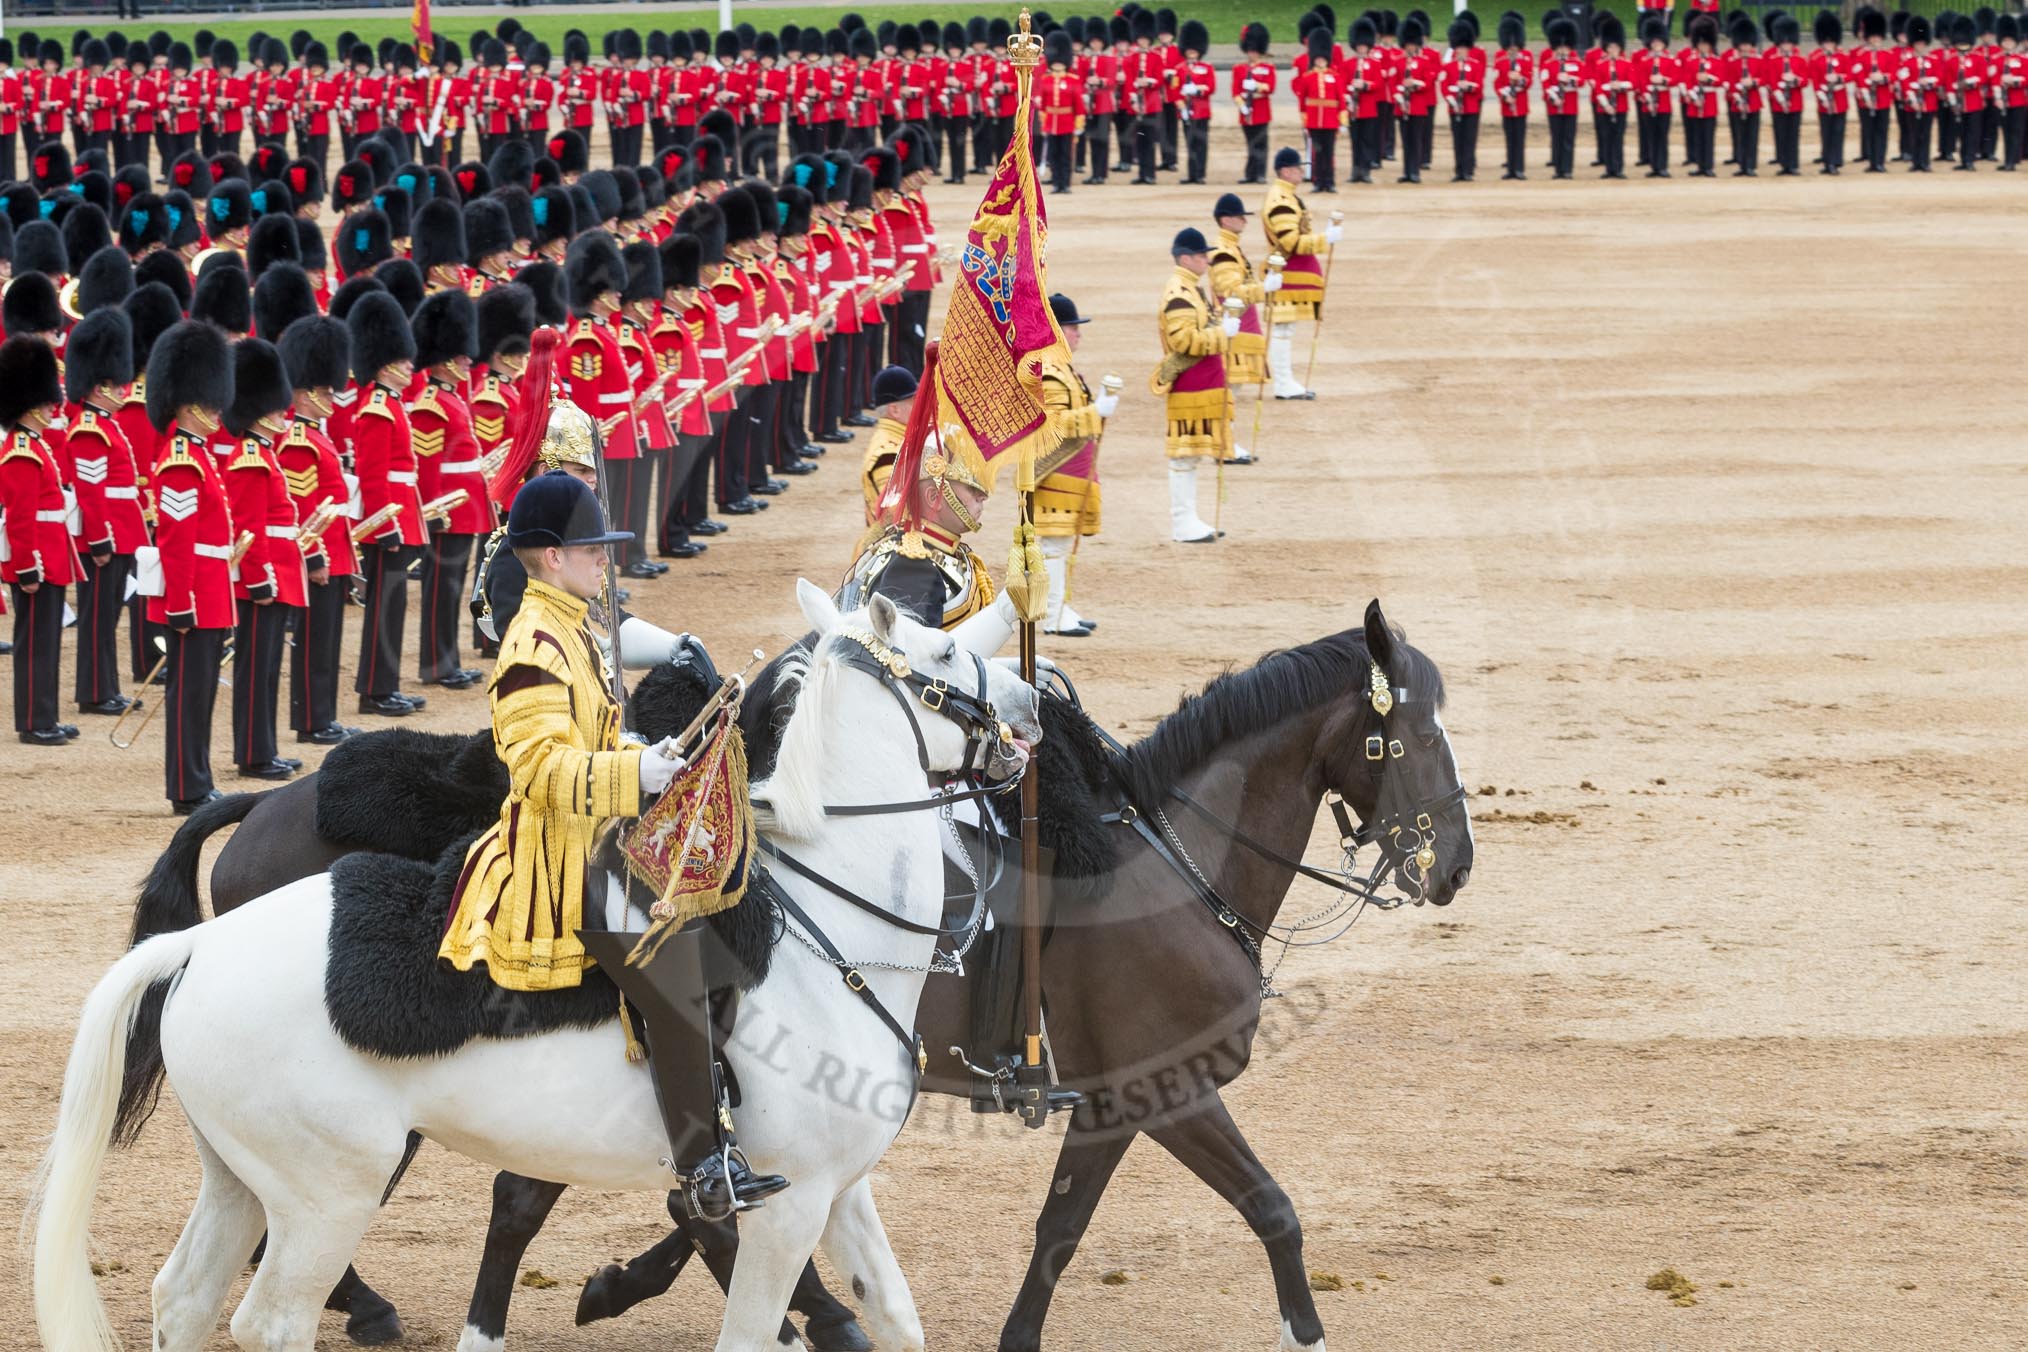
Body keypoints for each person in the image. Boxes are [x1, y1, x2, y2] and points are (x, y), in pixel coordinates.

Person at [439, 468, 787, 1221]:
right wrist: (635, 772)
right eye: (592, 548)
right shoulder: (535, 643)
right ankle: (702, 1168)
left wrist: (639, 747)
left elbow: (584, 738)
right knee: (671, 963)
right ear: (549, 556)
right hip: (558, 859)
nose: (605, 559)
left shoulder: (574, 626)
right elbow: (539, 769)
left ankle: (712, 1102)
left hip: (598, 834)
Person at [144, 320, 237, 813]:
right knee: (188, 694)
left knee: (201, 693)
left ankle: (197, 777)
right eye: (209, 399)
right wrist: (181, 602)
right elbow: (177, 542)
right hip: (194, 593)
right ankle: (186, 785)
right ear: (187, 402)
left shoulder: (199, 455)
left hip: (210, 588)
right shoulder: (181, 460)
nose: (218, 409)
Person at [219, 338, 307, 782]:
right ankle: (253, 753)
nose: (282, 414)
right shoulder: (249, 460)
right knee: (256, 669)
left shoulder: (263, 454)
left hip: (278, 573)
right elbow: (248, 530)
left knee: (268, 668)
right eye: (274, 407)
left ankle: (264, 747)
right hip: (263, 576)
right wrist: (260, 577)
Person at [346, 290, 430, 716]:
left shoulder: (391, 404)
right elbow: (373, 476)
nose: (410, 367)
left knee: (393, 606)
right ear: (384, 364)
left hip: (400, 515)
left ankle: (386, 684)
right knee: (383, 607)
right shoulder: (377, 408)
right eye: (402, 361)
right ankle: (375, 691)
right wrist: (386, 525)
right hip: (388, 520)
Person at [62, 307, 146, 719]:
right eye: (116, 385)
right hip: (106, 533)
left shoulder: (106, 424)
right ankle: (94, 692)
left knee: (109, 615)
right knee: (97, 618)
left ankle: (106, 686)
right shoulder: (90, 429)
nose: (124, 390)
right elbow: (90, 491)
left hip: (122, 529)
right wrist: (98, 539)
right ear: (99, 388)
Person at [0, 337, 77, 747]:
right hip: (36, 561)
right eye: (47, 402)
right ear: (30, 404)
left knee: (47, 640)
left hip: (49, 556)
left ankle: (45, 714)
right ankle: (32, 721)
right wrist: (27, 567)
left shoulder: (35, 446)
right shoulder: (21, 451)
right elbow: (21, 518)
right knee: (34, 644)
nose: (54, 408)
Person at [1032, 294, 1113, 636]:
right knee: (1053, 545)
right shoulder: (1051, 372)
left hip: (1067, 473)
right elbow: (1055, 425)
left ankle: (1059, 604)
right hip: (1056, 473)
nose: (1078, 334)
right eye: (1072, 328)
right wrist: (1096, 413)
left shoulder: (1059, 367)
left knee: (1059, 545)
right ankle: (1051, 616)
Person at [1155, 227, 1233, 545]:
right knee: (1184, 457)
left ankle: (1189, 519)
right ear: (1185, 258)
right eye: (1202, 255)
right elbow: (1184, 341)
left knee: (1191, 456)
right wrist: (1222, 334)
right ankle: (1182, 522)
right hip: (1191, 384)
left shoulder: (1189, 289)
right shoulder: (1180, 293)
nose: (1206, 260)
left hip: (1199, 383)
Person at [1259, 147, 1338, 402]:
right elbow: (1292, 242)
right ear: (1286, 170)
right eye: (1297, 168)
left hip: (1286, 269)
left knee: (1286, 329)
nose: (1302, 172)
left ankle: (1285, 381)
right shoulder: (1281, 199)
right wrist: (1323, 240)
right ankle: (1283, 383)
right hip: (1287, 270)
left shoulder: (1285, 195)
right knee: (1283, 328)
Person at [1206, 193, 1275, 465]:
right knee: (1228, 389)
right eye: (1239, 217)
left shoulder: (1229, 247)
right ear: (1225, 220)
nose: (1244, 222)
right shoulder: (1224, 249)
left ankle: (1226, 442)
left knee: (1231, 389)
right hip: (1232, 324)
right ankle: (1224, 445)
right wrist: (1262, 289)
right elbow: (1229, 291)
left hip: (1237, 322)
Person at [858, 364, 918, 522]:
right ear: (895, 410)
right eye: (915, 401)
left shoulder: (897, 441)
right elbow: (897, 514)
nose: (921, 406)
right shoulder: (888, 454)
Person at [1292, 26, 1345, 193]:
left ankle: (1329, 182)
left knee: (1329, 154)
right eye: (1318, 59)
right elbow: (1302, 101)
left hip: (1330, 122)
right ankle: (1318, 181)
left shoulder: (1335, 77)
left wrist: (1342, 121)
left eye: (1323, 59)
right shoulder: (1308, 77)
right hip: (1314, 121)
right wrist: (1305, 121)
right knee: (1317, 154)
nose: (1320, 61)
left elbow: (1341, 100)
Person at [1440, 17, 1487, 181]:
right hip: (1455, 107)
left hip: (1471, 106)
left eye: (1462, 48)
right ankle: (1459, 170)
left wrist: (1468, 86)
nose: (1459, 51)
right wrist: (1451, 99)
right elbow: (1444, 86)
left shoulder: (1475, 65)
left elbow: (1479, 86)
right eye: (1457, 48)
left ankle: (1468, 170)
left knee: (1469, 140)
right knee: (1457, 140)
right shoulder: (1449, 66)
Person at [1590, 16, 1634, 180]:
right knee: (1607, 138)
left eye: (1616, 47)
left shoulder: (1626, 64)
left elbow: (1633, 83)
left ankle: (1618, 168)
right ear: (1606, 48)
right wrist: (1606, 104)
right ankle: (1609, 168)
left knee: (1618, 137)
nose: (1613, 50)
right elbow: (1598, 87)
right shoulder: (1600, 65)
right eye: (1610, 47)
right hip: (1605, 106)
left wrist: (1620, 86)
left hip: (1621, 105)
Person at [1234, 24, 1277, 184]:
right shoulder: (1239, 69)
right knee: (1250, 143)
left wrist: (1257, 86)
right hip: (1246, 111)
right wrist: (1242, 105)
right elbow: (1235, 91)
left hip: (1261, 110)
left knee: (1261, 143)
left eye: (1254, 51)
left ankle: (1260, 173)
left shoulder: (1267, 68)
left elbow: (1270, 87)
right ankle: (1250, 174)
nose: (1252, 54)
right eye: (1250, 51)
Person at [1493, 14, 1534, 179]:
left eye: (1514, 47)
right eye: (1509, 47)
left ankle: (1519, 169)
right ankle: (1511, 168)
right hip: (1507, 105)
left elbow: (1529, 81)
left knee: (1520, 138)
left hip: (1521, 104)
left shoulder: (1525, 60)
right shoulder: (1501, 61)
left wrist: (1520, 80)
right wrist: (1505, 96)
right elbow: (1497, 83)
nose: (1512, 50)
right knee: (1510, 139)